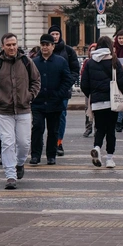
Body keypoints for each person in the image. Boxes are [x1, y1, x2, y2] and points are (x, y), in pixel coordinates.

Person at [0, 33, 41, 190]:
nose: (12, 47)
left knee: (23, 143)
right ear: (3, 46)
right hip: (4, 111)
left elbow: (36, 80)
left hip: (23, 109)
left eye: (14, 44)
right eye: (8, 45)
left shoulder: (26, 61)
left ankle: (20, 163)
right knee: (7, 143)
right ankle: (10, 175)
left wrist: (29, 96)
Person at [80, 36, 123, 169]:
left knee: (99, 128)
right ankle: (109, 158)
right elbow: (122, 81)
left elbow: (84, 84)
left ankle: (97, 147)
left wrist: (92, 95)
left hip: (97, 102)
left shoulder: (90, 62)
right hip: (112, 101)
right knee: (111, 130)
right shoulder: (113, 60)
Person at [29, 34, 72, 166]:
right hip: (38, 102)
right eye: (43, 45)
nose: (45, 47)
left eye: (47, 45)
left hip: (55, 102)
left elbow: (67, 79)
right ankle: (35, 155)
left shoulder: (60, 61)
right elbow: (29, 80)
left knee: (53, 130)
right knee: (37, 127)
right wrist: (32, 95)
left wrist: (60, 94)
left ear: (53, 46)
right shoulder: (34, 62)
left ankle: (51, 155)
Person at [47, 25, 80, 157]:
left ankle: (58, 142)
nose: (55, 36)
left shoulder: (68, 51)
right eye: (52, 34)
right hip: (46, 91)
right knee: (44, 117)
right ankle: (48, 141)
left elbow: (75, 70)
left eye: (56, 34)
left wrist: (67, 84)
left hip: (62, 91)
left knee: (61, 116)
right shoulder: (44, 50)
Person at [81, 43, 97, 137]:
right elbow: (83, 75)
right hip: (89, 89)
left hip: (97, 89)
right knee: (87, 109)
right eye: (91, 50)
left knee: (97, 109)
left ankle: (97, 128)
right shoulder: (87, 62)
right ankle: (88, 127)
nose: (93, 52)